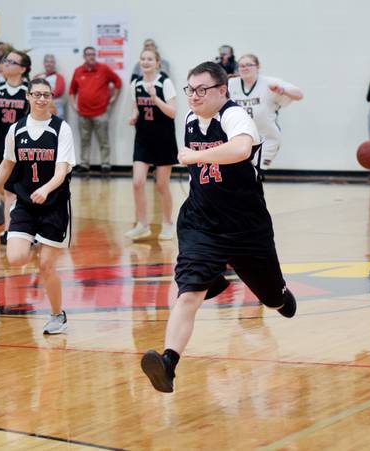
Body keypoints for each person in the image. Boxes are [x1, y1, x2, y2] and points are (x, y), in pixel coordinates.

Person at [140, 62, 297, 393]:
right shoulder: (189, 120)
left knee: (273, 301)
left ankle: (279, 296)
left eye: (202, 90)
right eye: (190, 90)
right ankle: (168, 362)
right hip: (202, 221)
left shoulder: (234, 116)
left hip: (245, 227)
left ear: (222, 91)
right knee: (187, 295)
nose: (194, 96)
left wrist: (196, 157)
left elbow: (241, 149)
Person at [0, 78, 76, 334]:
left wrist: (45, 189)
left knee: (46, 265)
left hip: (54, 203)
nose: (42, 99)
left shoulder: (61, 129)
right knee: (16, 258)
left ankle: (57, 315)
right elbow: (5, 165)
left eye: (46, 94)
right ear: (28, 97)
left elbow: (62, 171)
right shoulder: (16, 129)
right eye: (37, 94)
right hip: (25, 203)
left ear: (51, 97)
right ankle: (33, 241)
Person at [125, 49, 178, 241]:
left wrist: (155, 98)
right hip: (143, 139)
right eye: (143, 59)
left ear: (157, 63)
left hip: (163, 139)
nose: (146, 62)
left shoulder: (165, 82)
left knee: (161, 185)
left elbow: (172, 112)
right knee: (137, 182)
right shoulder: (136, 83)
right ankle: (142, 224)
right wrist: (133, 116)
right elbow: (136, 108)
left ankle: (167, 224)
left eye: (150, 59)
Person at [0, 49, 31, 244]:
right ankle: (10, 231)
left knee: (24, 191)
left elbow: (48, 112)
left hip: (25, 147)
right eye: (5, 61)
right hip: (2, 146)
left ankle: (28, 230)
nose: (6, 64)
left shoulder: (29, 90)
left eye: (12, 62)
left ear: (23, 69)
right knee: (9, 190)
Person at [229, 54, 304, 170]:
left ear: (258, 67)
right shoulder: (231, 84)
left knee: (255, 173)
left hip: (266, 139)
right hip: (241, 138)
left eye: (249, 65)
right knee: (239, 174)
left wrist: (282, 90)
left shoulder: (269, 83)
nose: (245, 68)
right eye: (241, 65)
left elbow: (299, 94)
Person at [69, 46, 122, 175]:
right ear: (84, 56)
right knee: (84, 141)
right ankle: (84, 164)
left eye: (93, 54)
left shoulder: (103, 69)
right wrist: (74, 105)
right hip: (83, 114)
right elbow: (72, 90)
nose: (91, 56)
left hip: (101, 112)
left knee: (104, 140)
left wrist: (114, 98)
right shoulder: (78, 71)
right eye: (88, 54)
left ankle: (105, 164)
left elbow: (118, 82)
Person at [33, 54, 66, 119]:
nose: (49, 64)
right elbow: (32, 91)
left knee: (57, 127)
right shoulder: (37, 77)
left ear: (54, 64)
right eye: (47, 62)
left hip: (55, 108)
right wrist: (49, 92)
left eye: (51, 62)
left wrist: (40, 93)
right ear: (44, 63)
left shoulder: (59, 77)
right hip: (40, 108)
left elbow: (58, 92)